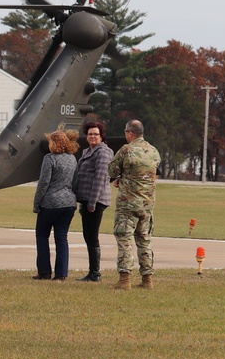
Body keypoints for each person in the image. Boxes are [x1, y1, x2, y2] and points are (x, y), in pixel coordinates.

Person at [108, 119, 161, 289]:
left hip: (128, 204)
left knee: (124, 239)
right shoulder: (153, 151)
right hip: (147, 204)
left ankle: (125, 279)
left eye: (126, 132)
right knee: (144, 240)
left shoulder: (127, 150)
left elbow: (112, 170)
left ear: (130, 133)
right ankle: (147, 279)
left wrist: (121, 179)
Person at [31, 128, 79, 281]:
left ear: (54, 143)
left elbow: (44, 183)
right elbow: (75, 181)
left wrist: (36, 204)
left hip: (50, 203)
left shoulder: (49, 158)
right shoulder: (72, 159)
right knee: (61, 238)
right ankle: (61, 274)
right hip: (68, 203)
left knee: (42, 235)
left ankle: (44, 271)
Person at [74, 120, 114, 282]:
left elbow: (100, 178)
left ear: (101, 136)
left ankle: (95, 273)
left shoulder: (102, 152)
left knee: (92, 236)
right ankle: (92, 271)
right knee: (88, 235)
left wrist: (92, 202)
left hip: (96, 201)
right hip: (87, 200)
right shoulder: (88, 151)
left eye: (96, 134)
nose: (92, 136)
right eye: (90, 134)